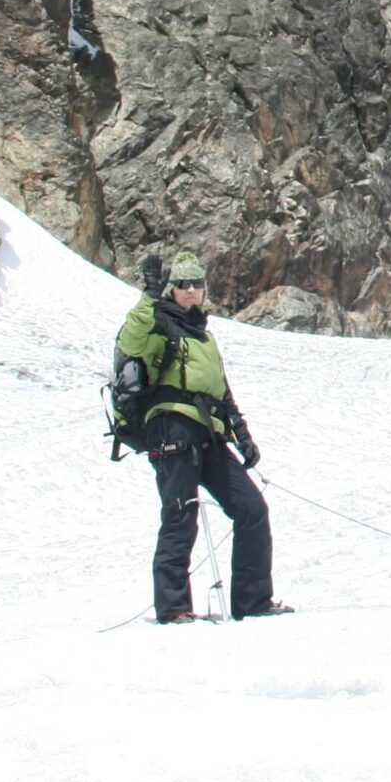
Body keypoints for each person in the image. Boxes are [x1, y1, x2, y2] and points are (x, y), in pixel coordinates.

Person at [116, 249, 289, 622]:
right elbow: (130, 341)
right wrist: (148, 296)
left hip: (208, 433)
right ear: (171, 290)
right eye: (182, 284)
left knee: (251, 509)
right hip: (171, 429)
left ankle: (253, 601)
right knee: (181, 515)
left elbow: (220, 392)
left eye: (197, 283)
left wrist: (242, 435)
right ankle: (173, 607)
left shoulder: (204, 338)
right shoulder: (158, 324)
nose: (191, 290)